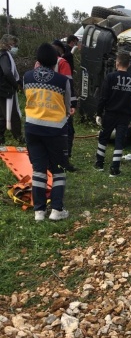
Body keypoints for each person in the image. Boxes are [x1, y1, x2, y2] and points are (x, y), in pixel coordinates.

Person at [24, 43, 71, 221]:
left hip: (32, 129)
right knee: (58, 169)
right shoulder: (62, 80)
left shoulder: (27, 77)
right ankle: (57, 210)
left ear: (38, 60)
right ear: (55, 60)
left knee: (38, 170)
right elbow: (68, 107)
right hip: (55, 131)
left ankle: (39, 212)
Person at [95, 51, 131, 176]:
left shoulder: (110, 77)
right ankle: (114, 169)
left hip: (110, 114)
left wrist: (99, 113)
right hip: (124, 116)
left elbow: (103, 97)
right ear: (129, 64)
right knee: (119, 141)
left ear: (117, 63)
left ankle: (99, 164)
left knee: (103, 138)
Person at [51, 39, 78, 171]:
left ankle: (52, 159)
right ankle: (65, 160)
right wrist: (72, 104)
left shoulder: (38, 63)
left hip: (43, 105)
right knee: (67, 131)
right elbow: (68, 84)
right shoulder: (62, 62)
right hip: (61, 103)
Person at [0, 34, 24, 145]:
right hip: (6, 89)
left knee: (2, 114)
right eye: (13, 44)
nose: (14, 46)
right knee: (12, 114)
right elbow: (7, 71)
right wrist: (15, 84)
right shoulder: (4, 56)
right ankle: (19, 137)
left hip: (2, 88)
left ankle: (1, 138)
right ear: (8, 43)